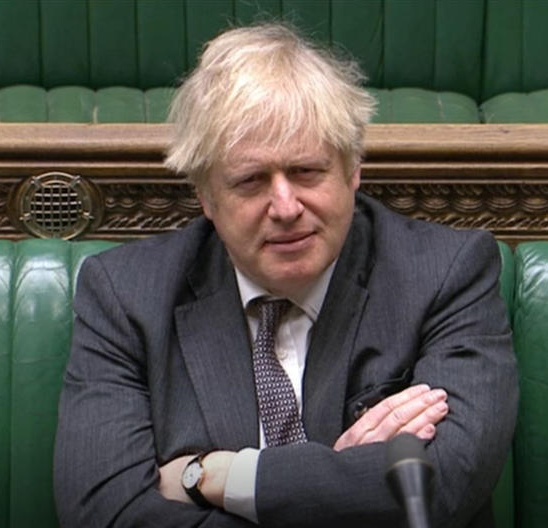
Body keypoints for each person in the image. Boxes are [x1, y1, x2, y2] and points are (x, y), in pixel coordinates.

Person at [54, 23, 517, 528]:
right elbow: (104, 513)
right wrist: (346, 483)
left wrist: (217, 475)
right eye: (251, 181)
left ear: (352, 168)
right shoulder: (126, 295)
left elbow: (439, 487)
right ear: (207, 196)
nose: (285, 206)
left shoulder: (446, 273)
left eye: (306, 171)